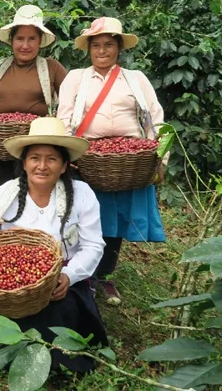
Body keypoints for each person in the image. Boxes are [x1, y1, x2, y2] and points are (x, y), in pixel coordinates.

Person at [0, 117, 107, 372]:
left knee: (59, 311)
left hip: (59, 280)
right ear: (24, 163)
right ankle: (13, 353)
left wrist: (68, 275)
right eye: (35, 158)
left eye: (52, 159)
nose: (42, 166)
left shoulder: (82, 195)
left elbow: (93, 245)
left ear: (64, 165)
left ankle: (50, 360)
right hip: (10, 282)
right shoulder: (3, 195)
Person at [57, 17, 167, 305]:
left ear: (119, 47)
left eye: (109, 44)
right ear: (88, 49)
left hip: (130, 160)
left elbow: (155, 120)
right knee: (85, 216)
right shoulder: (76, 78)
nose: (102, 51)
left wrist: (161, 159)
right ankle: (82, 273)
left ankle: (105, 275)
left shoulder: (136, 79)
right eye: (96, 45)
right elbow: (64, 119)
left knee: (115, 219)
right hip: (90, 158)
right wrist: (67, 155)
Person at [0, 5, 67, 213]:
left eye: (32, 39)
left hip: (36, 148)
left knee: (31, 201)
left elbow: (69, 104)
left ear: (40, 42)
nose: (25, 45)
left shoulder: (52, 68)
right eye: (20, 38)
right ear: (11, 41)